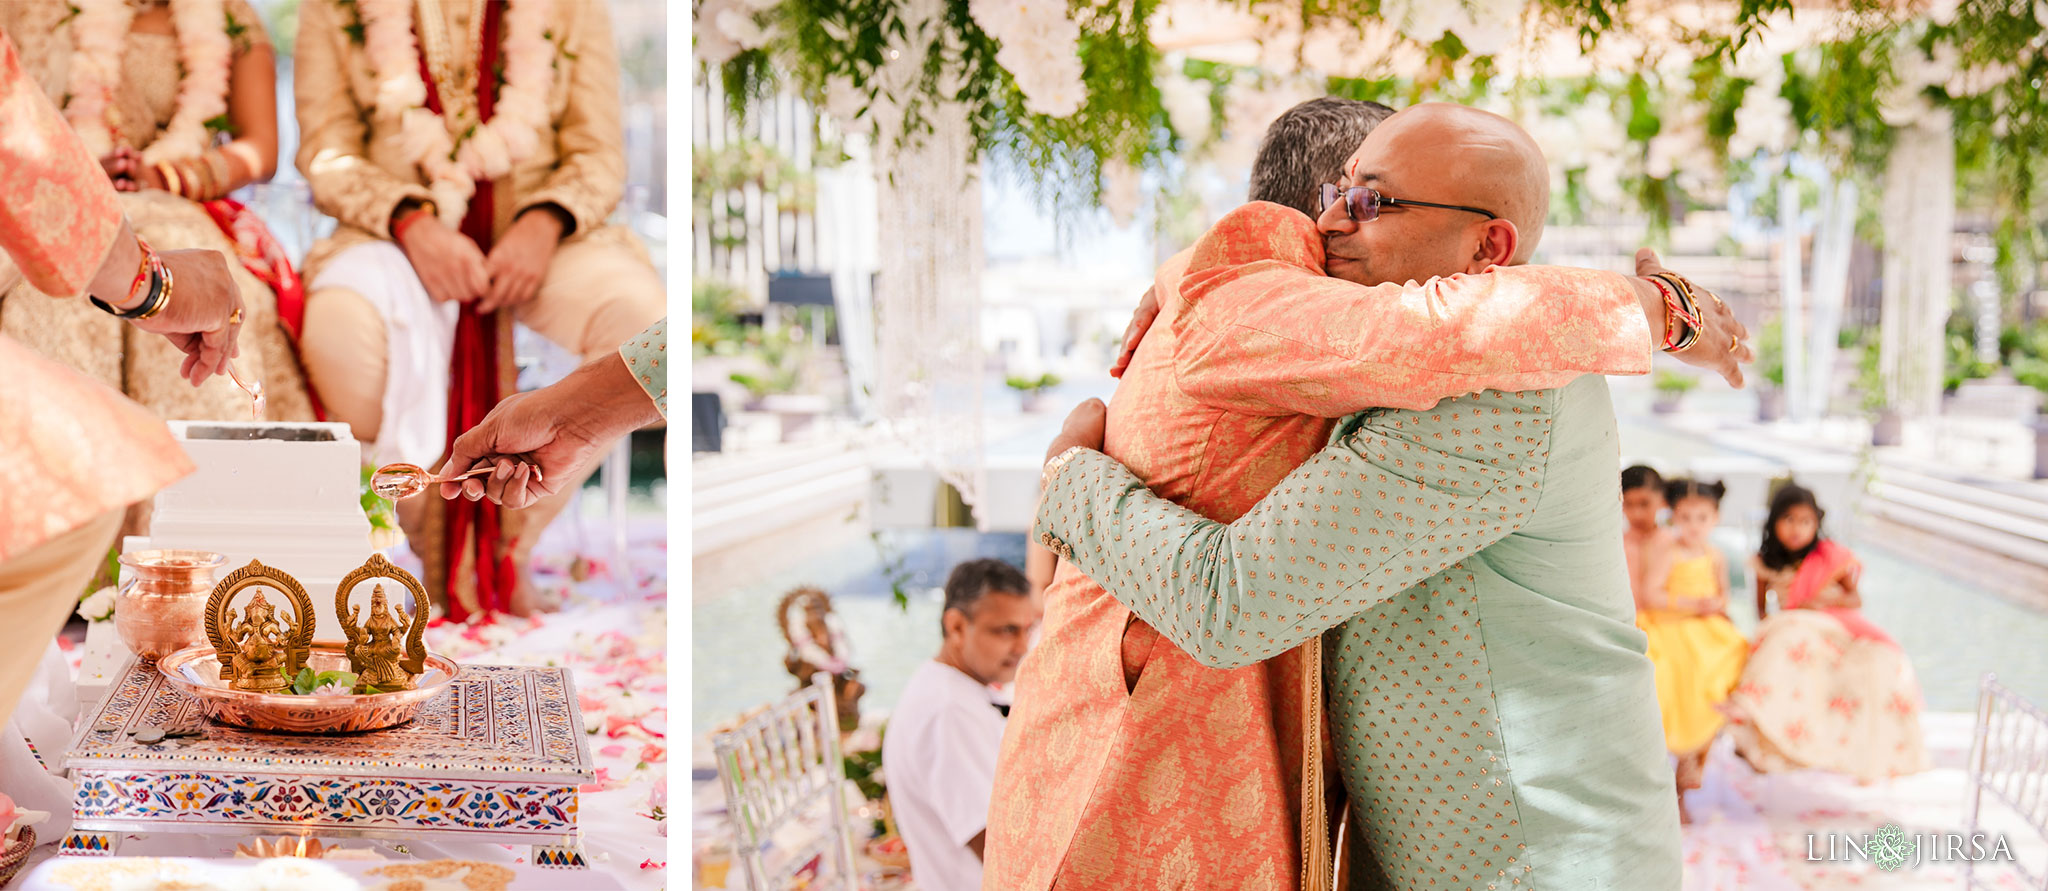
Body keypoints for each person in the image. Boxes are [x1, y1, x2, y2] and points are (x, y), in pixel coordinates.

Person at [991, 101, 1749, 890]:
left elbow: (1231, 602)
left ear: (1489, 247)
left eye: (1372, 202)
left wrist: (1070, 481)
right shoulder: (1385, 361)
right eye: (1335, 194)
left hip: (1538, 855)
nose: (1331, 223)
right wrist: (1188, 282)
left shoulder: (1502, 393)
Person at [292, 0, 665, 621]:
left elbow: (599, 153)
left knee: (644, 325)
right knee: (340, 336)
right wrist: (410, 221)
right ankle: (436, 546)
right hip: (398, 234)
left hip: (549, 234)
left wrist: (545, 221)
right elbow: (327, 153)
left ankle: (506, 546)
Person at [0, 29, 242, 727]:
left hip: (132, 212)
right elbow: (20, 145)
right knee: (73, 458)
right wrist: (156, 285)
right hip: (80, 228)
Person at [0, 0, 314, 427]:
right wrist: (81, 173)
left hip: (174, 204)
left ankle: (200, 485)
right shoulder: (26, 10)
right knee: (53, 297)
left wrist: (168, 177)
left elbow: (260, 149)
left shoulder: (229, 14)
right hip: (54, 208)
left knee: (199, 282)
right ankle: (92, 485)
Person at [1725, 483, 1927, 783]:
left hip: (1833, 626)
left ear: (1816, 524)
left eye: (1805, 522)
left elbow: (1855, 600)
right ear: (1774, 521)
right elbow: (1762, 612)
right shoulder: (1765, 562)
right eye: (1789, 520)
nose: (1797, 529)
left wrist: (1821, 602)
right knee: (1786, 638)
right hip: (1793, 625)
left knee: (1878, 662)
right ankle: (1760, 729)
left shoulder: (1830, 558)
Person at [882, 559, 1039, 891]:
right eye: (1006, 630)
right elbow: (1001, 851)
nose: (1022, 647)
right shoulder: (949, 711)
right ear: (955, 626)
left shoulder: (949, 689)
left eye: (1027, 629)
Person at [1636, 478, 1747, 823]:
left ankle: (1688, 774)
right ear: (1673, 517)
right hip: (1667, 623)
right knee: (1672, 672)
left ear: (1715, 518)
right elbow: (1651, 593)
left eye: (1702, 518)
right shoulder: (1669, 550)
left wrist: (1715, 604)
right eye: (1685, 518)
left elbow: (1724, 593)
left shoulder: (1715, 555)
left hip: (1704, 626)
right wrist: (1692, 604)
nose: (1694, 526)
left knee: (1730, 658)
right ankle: (1663, 777)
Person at [1621, 464, 1673, 607]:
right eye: (1628, 504)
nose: (1637, 513)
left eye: (1645, 503)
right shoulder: (1617, 545)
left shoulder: (1673, 542)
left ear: (1662, 500)